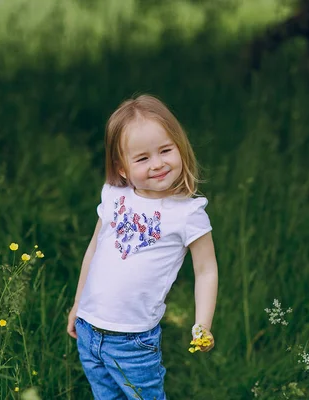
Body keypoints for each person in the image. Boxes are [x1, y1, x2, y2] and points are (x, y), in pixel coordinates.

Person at [67, 94, 218, 399]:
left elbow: (206, 271)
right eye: (142, 158)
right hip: (89, 330)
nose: (158, 164)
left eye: (165, 150)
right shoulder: (113, 195)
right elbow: (93, 251)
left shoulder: (187, 213)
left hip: (134, 340)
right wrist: (77, 305)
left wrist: (202, 323)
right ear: (121, 168)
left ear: (180, 147)